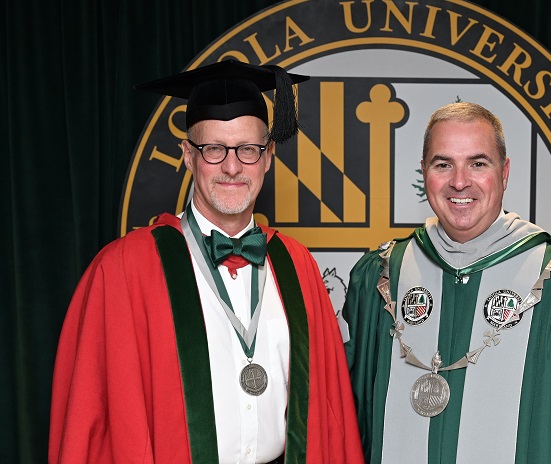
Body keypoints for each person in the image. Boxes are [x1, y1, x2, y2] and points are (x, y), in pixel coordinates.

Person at [49, 60, 364, 464]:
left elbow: (328, 412)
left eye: (248, 150)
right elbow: (90, 422)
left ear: (268, 156)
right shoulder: (124, 270)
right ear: (187, 155)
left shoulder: (296, 264)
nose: (232, 167)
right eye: (214, 149)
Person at [342, 102, 551, 463]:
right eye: (443, 164)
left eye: (478, 163)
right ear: (424, 172)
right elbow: (342, 421)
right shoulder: (381, 279)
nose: (460, 181)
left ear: (504, 173)